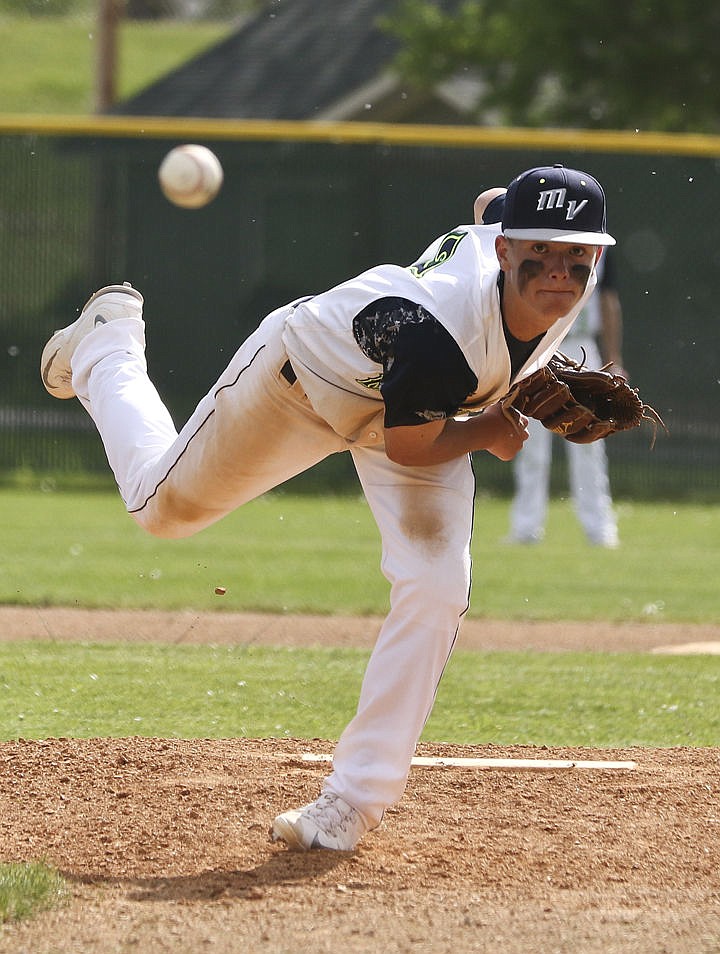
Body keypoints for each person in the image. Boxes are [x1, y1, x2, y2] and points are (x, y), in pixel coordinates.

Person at [41, 164, 615, 851]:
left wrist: (504, 384)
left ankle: (351, 801)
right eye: (540, 252)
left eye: (576, 255)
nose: (559, 270)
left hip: (417, 404)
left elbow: (493, 202)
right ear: (502, 250)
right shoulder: (441, 331)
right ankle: (108, 348)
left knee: (437, 590)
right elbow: (411, 445)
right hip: (303, 384)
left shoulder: (538, 266)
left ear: (596, 255)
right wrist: (490, 432)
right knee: (163, 511)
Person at [475, 188, 624, 548]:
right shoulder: (527, 240)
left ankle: (600, 529)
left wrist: (614, 358)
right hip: (534, 344)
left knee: (589, 440)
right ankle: (526, 527)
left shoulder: (595, 248)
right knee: (529, 442)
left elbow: (609, 301)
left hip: (582, 346)